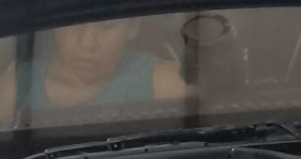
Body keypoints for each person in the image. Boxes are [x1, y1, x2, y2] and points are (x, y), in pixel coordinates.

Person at [13, 19, 189, 115]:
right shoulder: (15, 89)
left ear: (133, 27)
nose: (88, 43)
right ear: (55, 28)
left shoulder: (166, 84)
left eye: (106, 27)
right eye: (75, 24)